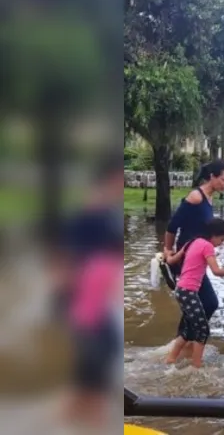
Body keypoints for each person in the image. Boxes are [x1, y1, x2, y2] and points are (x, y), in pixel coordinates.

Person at [59, 152, 124, 429]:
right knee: (95, 368)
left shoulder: (105, 213)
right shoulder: (90, 215)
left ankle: (74, 420)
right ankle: (91, 422)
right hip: (86, 302)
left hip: (96, 301)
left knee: (91, 369)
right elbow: (64, 262)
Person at [161, 161, 224, 358]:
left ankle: (183, 342)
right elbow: (172, 226)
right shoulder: (195, 197)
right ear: (212, 176)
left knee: (198, 304)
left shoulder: (209, 199)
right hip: (187, 258)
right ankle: (185, 341)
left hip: (198, 256)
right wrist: (168, 251)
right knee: (209, 303)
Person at [165, 218, 224, 368]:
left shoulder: (191, 242)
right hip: (189, 292)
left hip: (181, 290)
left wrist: (167, 253)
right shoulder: (207, 246)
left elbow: (171, 261)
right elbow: (216, 271)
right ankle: (196, 366)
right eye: (222, 239)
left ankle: (170, 360)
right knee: (203, 330)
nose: (222, 243)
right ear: (214, 235)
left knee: (188, 330)